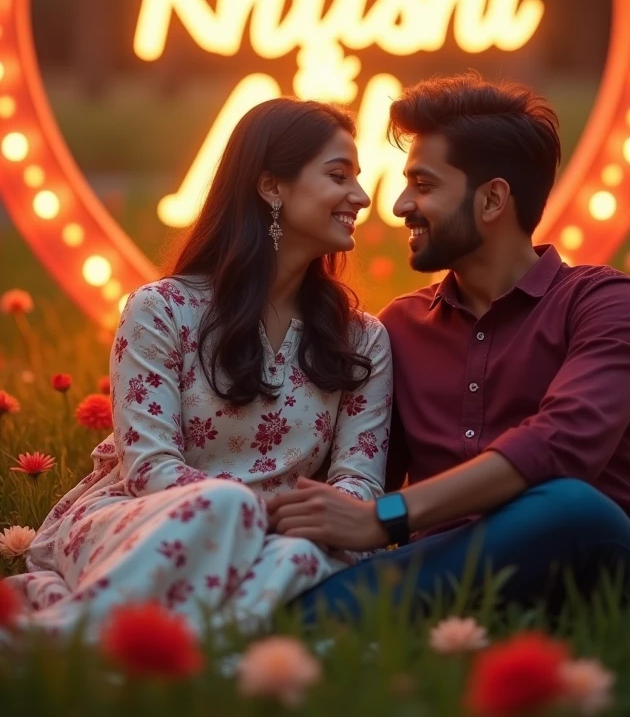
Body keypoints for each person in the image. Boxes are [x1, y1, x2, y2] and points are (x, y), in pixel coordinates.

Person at [268, 74, 630, 620]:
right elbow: (361, 474)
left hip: (595, 557)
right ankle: (309, 612)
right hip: (445, 565)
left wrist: (384, 517)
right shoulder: (400, 327)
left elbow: (563, 448)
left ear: (492, 199)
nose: (399, 204)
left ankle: (305, 618)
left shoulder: (604, 303)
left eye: (424, 184)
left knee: (571, 507)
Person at [7, 99, 392, 638]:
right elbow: (150, 470)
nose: (361, 195)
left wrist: (285, 521)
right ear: (271, 187)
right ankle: (63, 644)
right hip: (146, 521)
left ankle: (182, 662)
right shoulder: (160, 310)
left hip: (283, 540)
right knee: (229, 507)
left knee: (300, 559)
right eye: (338, 175)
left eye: (358, 176)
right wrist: (251, 508)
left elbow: (359, 483)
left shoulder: (362, 340)